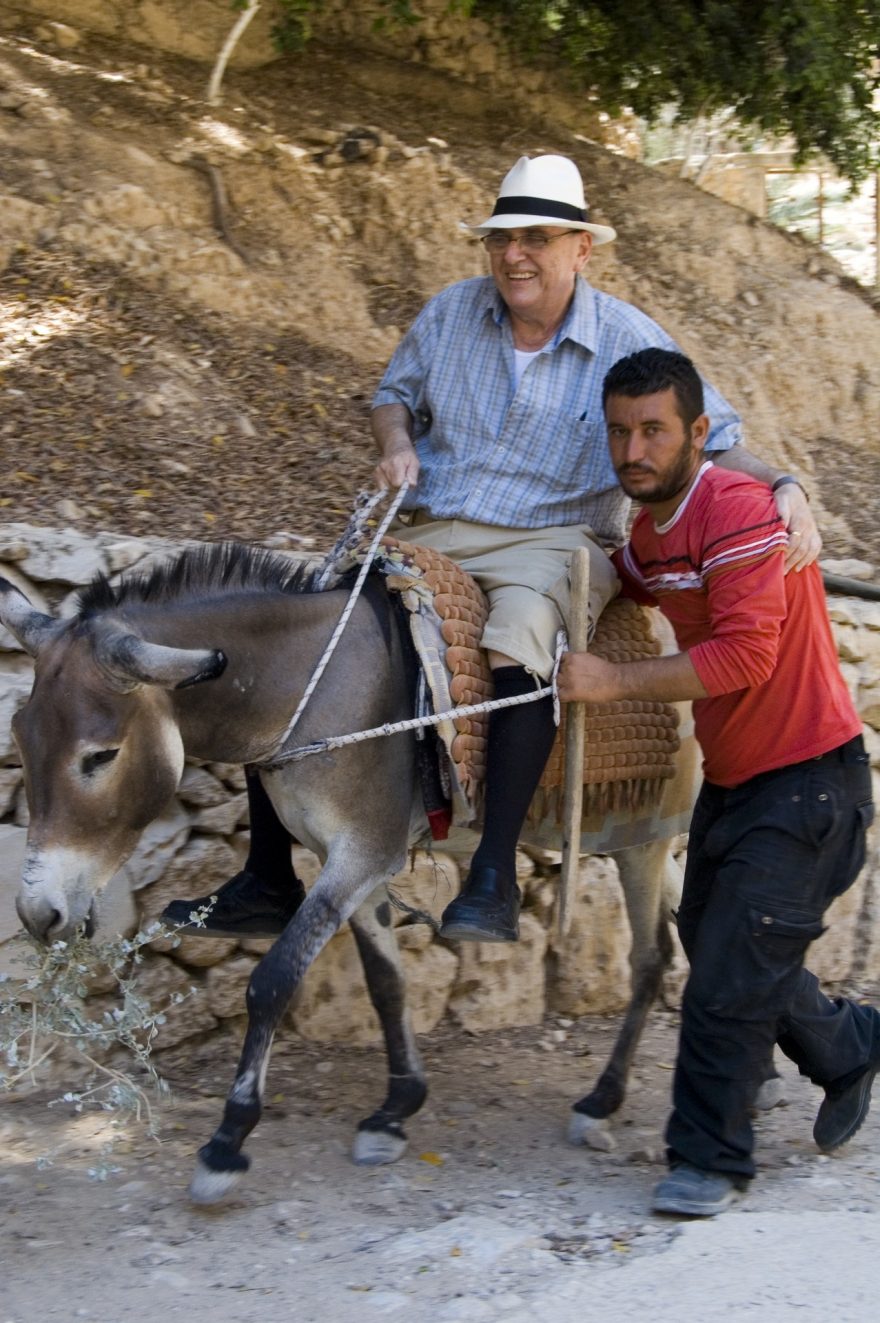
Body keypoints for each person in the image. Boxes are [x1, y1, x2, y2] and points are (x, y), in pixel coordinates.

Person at [163, 153, 820, 945]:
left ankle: (493, 874)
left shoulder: (628, 337)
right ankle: (266, 876)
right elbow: (392, 396)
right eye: (502, 237)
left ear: (582, 248)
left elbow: (718, 439)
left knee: (517, 642)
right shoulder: (450, 313)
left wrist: (787, 484)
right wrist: (397, 444)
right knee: (307, 633)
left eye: (537, 237)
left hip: (555, 538)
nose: (515, 254)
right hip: (433, 523)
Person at [557, 347, 879, 1217]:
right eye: (620, 431)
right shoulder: (653, 533)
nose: (634, 449)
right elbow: (638, 577)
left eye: (654, 430)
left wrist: (608, 681)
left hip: (810, 783)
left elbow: (744, 653)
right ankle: (850, 1045)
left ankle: (709, 1158)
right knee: (721, 939)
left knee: (728, 978)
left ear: (699, 433)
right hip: (738, 784)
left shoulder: (735, 509)